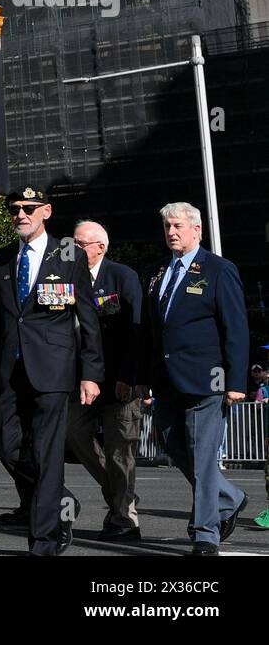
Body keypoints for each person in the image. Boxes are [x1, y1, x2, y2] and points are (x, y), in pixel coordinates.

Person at [0, 185, 103, 556]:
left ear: (46, 211)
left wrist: (91, 372)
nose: (21, 214)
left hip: (53, 371)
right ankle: (58, 500)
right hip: (8, 373)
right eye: (15, 209)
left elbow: (88, 316)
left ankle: (43, 541)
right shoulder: (3, 258)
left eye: (29, 208)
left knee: (46, 454)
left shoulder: (68, 254)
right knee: (8, 447)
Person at [138, 202, 249, 555]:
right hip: (167, 381)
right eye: (167, 226)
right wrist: (143, 377)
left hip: (208, 380)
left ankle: (205, 533)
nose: (171, 232)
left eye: (178, 226)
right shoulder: (156, 272)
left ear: (197, 230)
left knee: (202, 457)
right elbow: (150, 331)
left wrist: (236, 381)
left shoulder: (218, 270)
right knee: (173, 445)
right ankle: (230, 497)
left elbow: (236, 328)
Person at [64, 220, 146, 543]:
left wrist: (132, 376)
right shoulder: (67, 278)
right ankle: (120, 495)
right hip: (82, 379)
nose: (74, 249)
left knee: (119, 449)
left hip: (117, 379)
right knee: (74, 432)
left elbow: (136, 329)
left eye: (80, 244)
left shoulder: (121, 276)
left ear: (100, 247)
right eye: (72, 244)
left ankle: (124, 517)